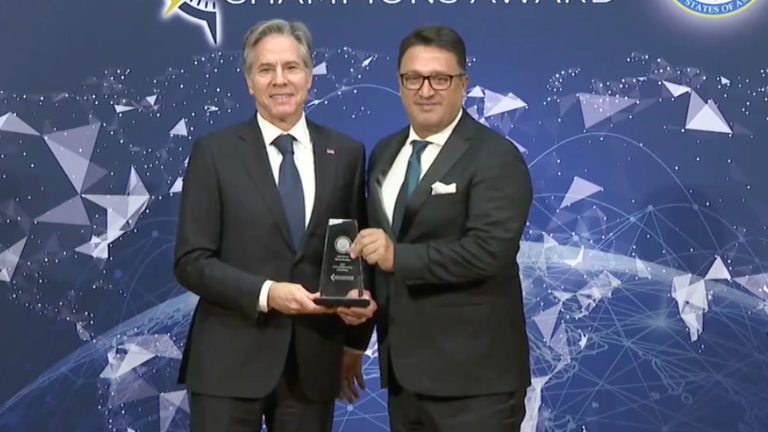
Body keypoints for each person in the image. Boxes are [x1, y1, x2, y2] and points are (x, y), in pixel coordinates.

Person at [173, 19, 376, 432]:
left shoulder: (347, 153)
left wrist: (357, 335)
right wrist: (268, 294)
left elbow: (356, 251)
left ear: (309, 76)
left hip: (313, 366)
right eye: (266, 69)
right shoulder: (214, 153)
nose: (280, 80)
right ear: (249, 81)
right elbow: (191, 261)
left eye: (291, 67)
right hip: (228, 364)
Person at [345, 25, 534, 432]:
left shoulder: (495, 157)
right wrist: (355, 334)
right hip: (403, 382)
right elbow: (372, 250)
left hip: (475, 386)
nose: (425, 90)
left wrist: (398, 256)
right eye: (413, 78)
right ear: (399, 84)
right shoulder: (384, 153)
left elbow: (489, 252)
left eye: (440, 78)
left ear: (463, 84)